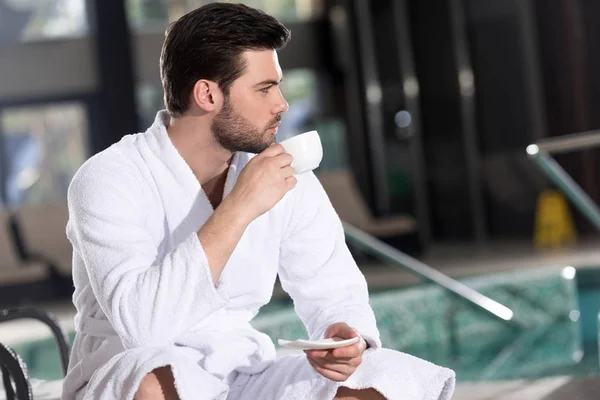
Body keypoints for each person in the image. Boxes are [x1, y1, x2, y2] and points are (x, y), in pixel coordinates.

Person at [62, 3, 455, 400]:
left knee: (383, 377)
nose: (282, 103)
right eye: (265, 88)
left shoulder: (284, 174)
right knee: (152, 378)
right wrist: (239, 206)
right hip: (129, 372)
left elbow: (335, 289)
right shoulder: (109, 178)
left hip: (241, 373)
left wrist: (343, 335)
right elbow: (143, 327)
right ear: (207, 94)